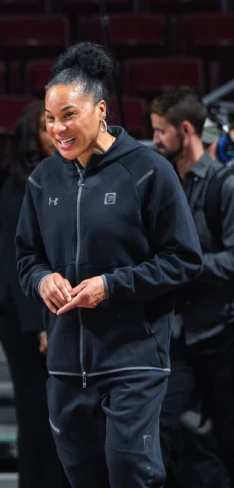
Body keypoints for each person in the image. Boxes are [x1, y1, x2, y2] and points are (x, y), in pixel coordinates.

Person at [15, 42, 203, 488]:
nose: (57, 128)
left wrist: (111, 285)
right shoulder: (43, 180)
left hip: (134, 360)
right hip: (64, 366)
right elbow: (26, 259)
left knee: (130, 475)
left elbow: (184, 259)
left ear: (101, 110)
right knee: (84, 478)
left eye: (68, 115)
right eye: (50, 118)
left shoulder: (149, 171)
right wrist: (42, 280)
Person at [150, 86, 234, 488]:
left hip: (222, 334)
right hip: (178, 335)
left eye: (160, 132)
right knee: (165, 432)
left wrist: (186, 265)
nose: (154, 140)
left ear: (185, 130)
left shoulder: (225, 185)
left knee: (227, 437)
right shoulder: (165, 185)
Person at [0, 100, 69, 488]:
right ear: (29, 136)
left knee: (53, 412)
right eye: (44, 126)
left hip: (46, 309)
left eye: (58, 123)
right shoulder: (19, 185)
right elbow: (20, 262)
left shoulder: (54, 178)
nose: (55, 132)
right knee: (38, 412)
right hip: (24, 315)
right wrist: (41, 327)